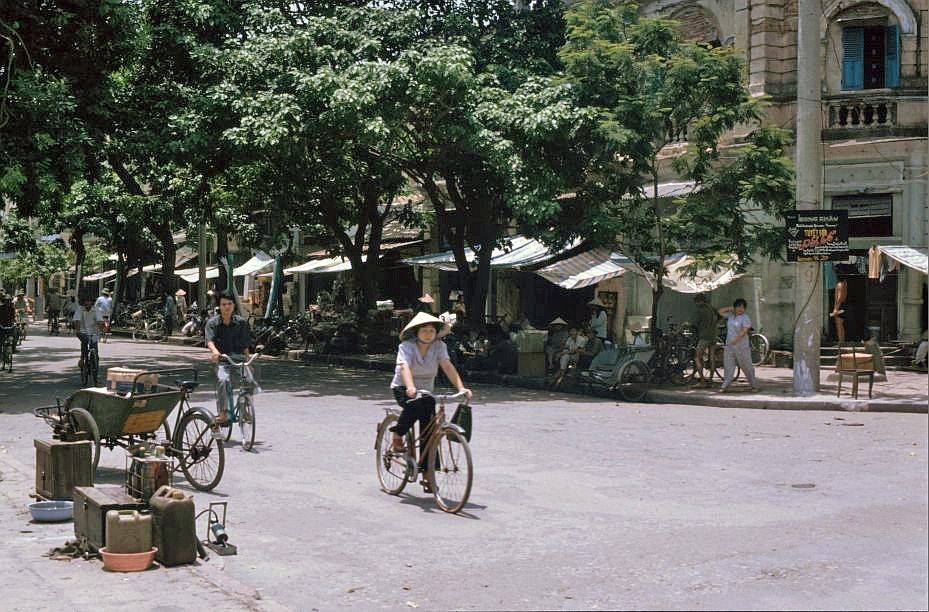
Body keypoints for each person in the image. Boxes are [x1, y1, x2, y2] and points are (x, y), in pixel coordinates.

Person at [389, 312, 472, 490]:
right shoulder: (407, 346)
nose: (428, 333)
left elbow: (447, 366)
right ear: (417, 332)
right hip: (404, 388)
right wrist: (410, 387)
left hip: (426, 390)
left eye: (432, 330)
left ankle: (428, 474)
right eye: (424, 330)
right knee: (416, 405)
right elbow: (404, 367)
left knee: (430, 432)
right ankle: (398, 433)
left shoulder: (439, 346)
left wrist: (461, 388)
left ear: (436, 333)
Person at [205, 290, 254, 426]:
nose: (227, 307)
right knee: (223, 380)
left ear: (233, 305)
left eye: (229, 304)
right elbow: (210, 340)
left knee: (250, 378)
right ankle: (223, 412)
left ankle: (245, 407)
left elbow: (245, 345)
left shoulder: (241, 323)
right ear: (219, 306)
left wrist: (248, 360)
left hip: (238, 359)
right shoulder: (212, 323)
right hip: (222, 361)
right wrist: (215, 352)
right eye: (224, 304)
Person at [718, 298, 758, 393]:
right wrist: (731, 308)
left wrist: (736, 340)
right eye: (738, 307)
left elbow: (744, 331)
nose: (741, 309)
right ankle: (725, 385)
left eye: (743, 307)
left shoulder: (745, 318)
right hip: (729, 345)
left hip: (741, 345)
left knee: (746, 365)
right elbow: (720, 311)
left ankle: (753, 385)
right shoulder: (731, 316)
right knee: (728, 365)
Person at [692, 294, 719, 387]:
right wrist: (714, 325)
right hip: (713, 335)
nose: (696, 304)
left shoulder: (700, 310)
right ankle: (711, 380)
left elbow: (694, 323)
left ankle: (702, 381)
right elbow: (720, 317)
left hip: (704, 336)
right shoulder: (712, 308)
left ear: (699, 301)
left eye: (696, 302)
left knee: (697, 357)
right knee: (711, 358)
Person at [73, 294, 103, 379]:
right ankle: (83, 358)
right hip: (82, 332)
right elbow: (77, 321)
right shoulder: (80, 309)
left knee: (95, 351)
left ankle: (95, 375)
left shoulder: (96, 310)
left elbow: (99, 320)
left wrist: (102, 328)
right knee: (85, 341)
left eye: (89, 303)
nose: (88, 305)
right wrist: (78, 331)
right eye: (86, 303)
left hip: (94, 332)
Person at [830, 277, 848, 345]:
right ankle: (842, 341)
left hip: (840, 306)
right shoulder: (844, 284)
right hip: (842, 306)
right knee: (841, 325)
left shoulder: (840, 284)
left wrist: (836, 309)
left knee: (839, 325)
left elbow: (839, 298)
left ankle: (841, 342)